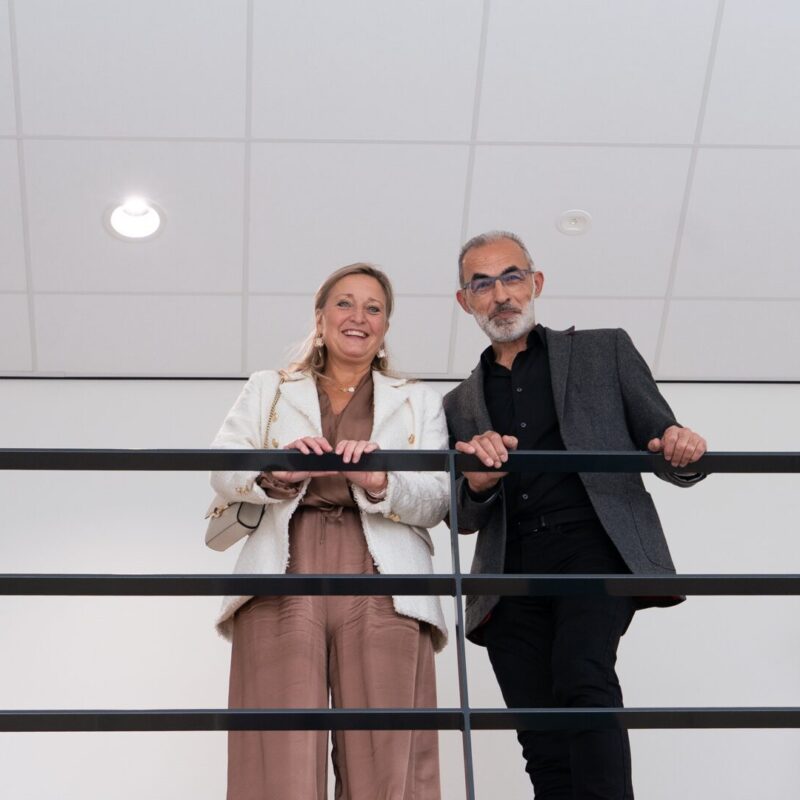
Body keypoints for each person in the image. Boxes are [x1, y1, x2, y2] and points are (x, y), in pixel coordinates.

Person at [442, 231, 707, 799]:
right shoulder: (457, 403)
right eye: (482, 285)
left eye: (512, 277)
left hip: (593, 545)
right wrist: (478, 485)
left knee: (583, 679)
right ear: (465, 301)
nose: (500, 295)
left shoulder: (604, 350)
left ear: (535, 283)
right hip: (507, 573)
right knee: (540, 737)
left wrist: (680, 444)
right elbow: (460, 515)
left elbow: (663, 438)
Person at [208, 263, 448, 800]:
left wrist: (382, 481)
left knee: (388, 757)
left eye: (373, 307)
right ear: (319, 319)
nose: (358, 316)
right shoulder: (269, 388)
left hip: (385, 575)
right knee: (279, 757)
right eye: (344, 303)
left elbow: (437, 498)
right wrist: (276, 470)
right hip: (283, 568)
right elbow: (222, 466)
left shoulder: (419, 399)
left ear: (385, 326)